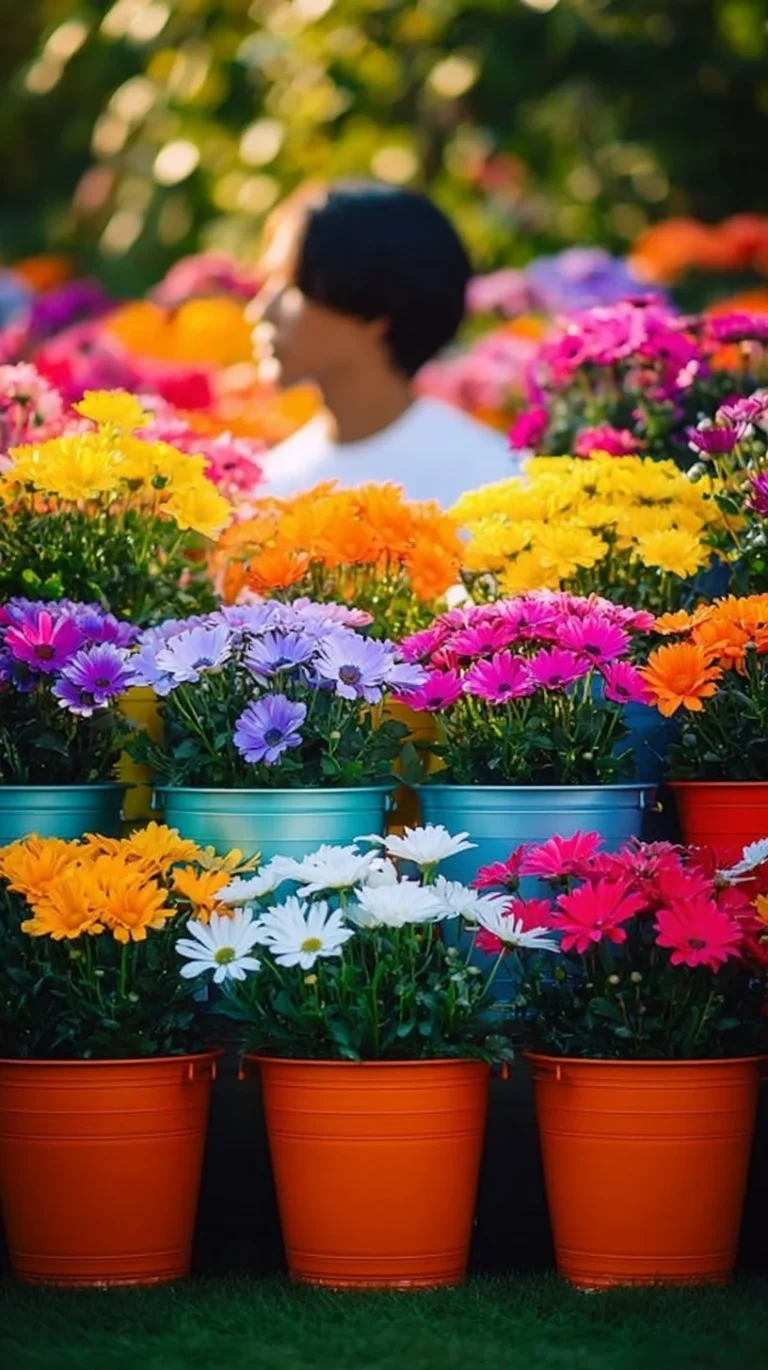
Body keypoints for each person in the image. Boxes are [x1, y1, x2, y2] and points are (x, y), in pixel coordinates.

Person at [252, 181, 511, 506]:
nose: (260, 311)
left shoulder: (493, 482)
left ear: (375, 311)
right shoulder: (272, 486)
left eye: (293, 289)